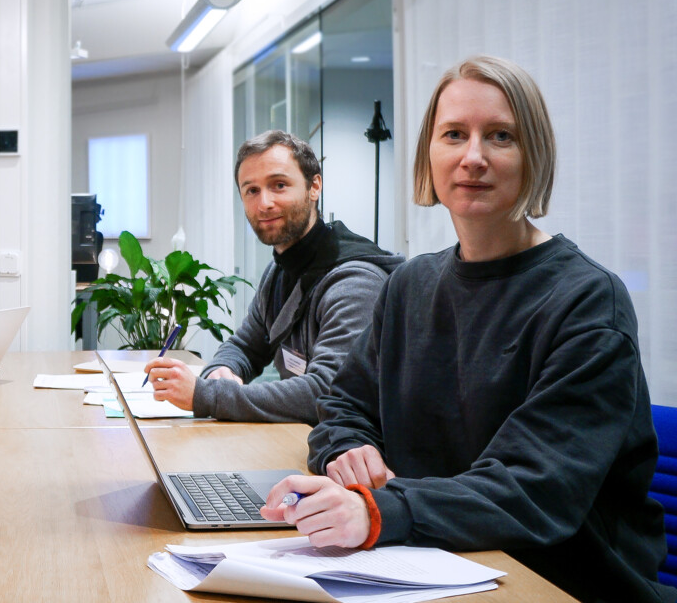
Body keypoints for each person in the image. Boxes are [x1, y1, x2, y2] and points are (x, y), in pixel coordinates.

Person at [260, 56, 674, 603]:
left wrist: (378, 510)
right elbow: (341, 404)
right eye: (454, 134)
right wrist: (348, 447)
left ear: (534, 156)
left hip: (559, 582)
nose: (473, 157)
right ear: (429, 155)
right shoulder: (410, 285)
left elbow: (533, 489)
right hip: (429, 566)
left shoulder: (588, 302)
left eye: (500, 136)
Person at [145, 131, 401, 423]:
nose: (264, 203)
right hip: (302, 440)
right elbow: (244, 346)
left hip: (353, 456)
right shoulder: (279, 271)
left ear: (314, 186)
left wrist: (208, 395)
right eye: (251, 190)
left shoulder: (354, 282)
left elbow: (327, 392)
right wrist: (221, 372)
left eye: (279, 185)